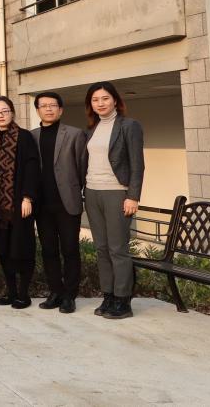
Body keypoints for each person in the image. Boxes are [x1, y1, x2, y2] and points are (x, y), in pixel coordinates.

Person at [84, 81, 144, 320]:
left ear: (115, 100)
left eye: (105, 98)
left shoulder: (129, 126)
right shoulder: (92, 128)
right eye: (95, 100)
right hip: (92, 192)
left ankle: (123, 300)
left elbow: (137, 165)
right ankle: (108, 295)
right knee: (101, 248)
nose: (100, 103)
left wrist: (133, 196)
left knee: (118, 248)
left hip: (117, 192)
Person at [31, 92, 87, 313]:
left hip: (67, 202)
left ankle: (70, 296)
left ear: (61, 109)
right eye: (43, 106)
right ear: (37, 110)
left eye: (52, 105)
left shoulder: (75, 134)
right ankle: (55, 292)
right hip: (42, 205)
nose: (48, 109)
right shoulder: (31, 136)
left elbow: (82, 167)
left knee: (70, 250)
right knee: (48, 250)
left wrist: (75, 190)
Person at [0, 96, 41, 309]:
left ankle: (24, 294)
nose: (1, 115)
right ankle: (10, 292)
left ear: (12, 113)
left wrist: (28, 197)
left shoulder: (24, 137)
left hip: (19, 204)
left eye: (5, 111)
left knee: (22, 248)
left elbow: (32, 168)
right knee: (3, 250)